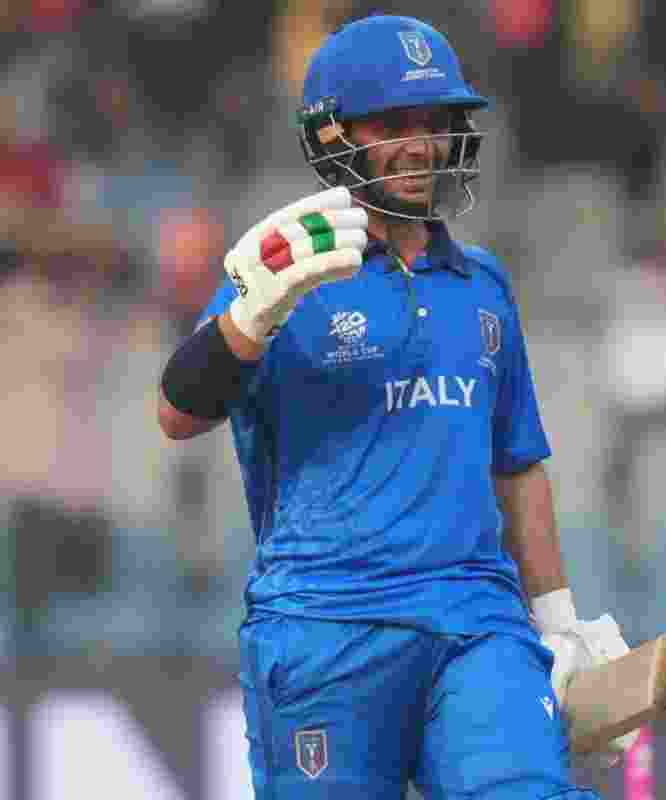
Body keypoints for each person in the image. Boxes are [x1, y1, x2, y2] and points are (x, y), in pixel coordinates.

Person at [156, 15, 631, 799]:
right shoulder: (287, 270)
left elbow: (518, 466)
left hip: (478, 624)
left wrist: (558, 621)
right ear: (333, 134)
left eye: (435, 121)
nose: (421, 143)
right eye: (392, 123)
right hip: (324, 628)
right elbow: (177, 414)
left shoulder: (483, 284)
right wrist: (248, 319)